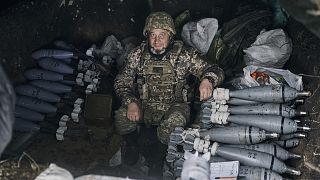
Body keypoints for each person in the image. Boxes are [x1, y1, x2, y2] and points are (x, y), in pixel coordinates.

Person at [114, 11, 224, 166]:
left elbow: (214, 68)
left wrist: (208, 80)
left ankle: (161, 157)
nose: (157, 40)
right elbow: (121, 81)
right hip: (144, 105)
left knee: (172, 126)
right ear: (147, 35)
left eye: (162, 35)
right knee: (121, 116)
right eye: (152, 35)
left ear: (170, 36)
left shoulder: (184, 55)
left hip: (175, 106)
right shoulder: (137, 55)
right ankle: (132, 145)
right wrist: (131, 101)